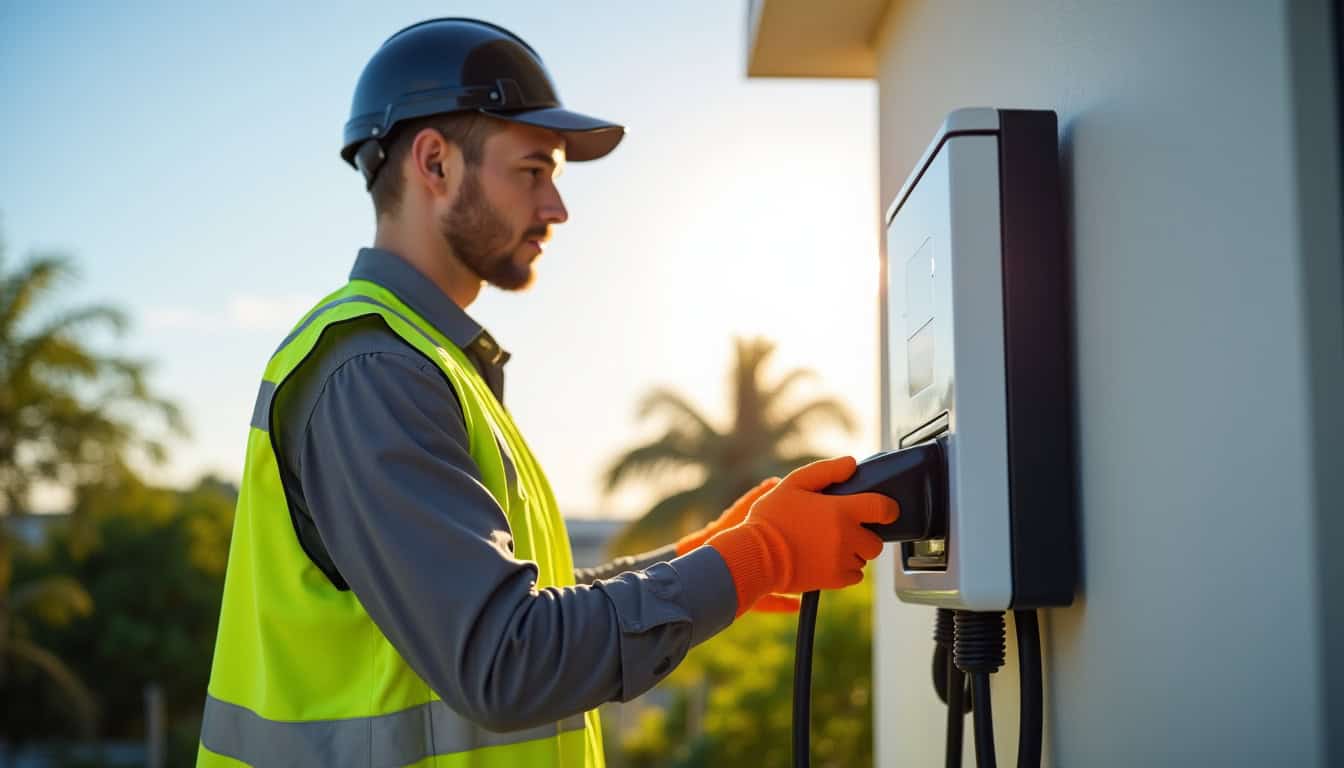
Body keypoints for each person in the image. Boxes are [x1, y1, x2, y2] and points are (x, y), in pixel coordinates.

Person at [197, 18, 898, 767]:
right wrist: (760, 554)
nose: (557, 208)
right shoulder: (372, 370)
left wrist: (700, 556)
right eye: (532, 171)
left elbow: (523, 603)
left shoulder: (430, 362)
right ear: (434, 163)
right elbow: (510, 660)